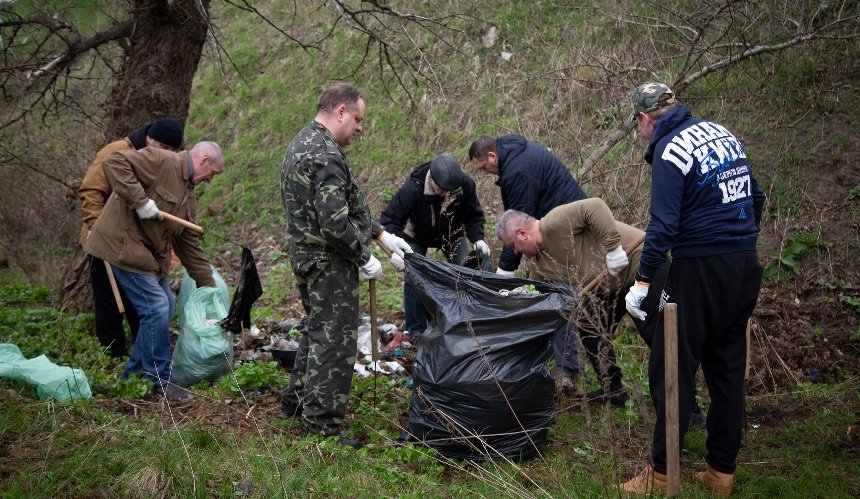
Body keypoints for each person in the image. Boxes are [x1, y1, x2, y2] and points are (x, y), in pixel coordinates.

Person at [619, 82, 764, 496]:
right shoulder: (723, 134)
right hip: (742, 266)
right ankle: (721, 473)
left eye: (639, 125)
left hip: (698, 268)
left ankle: (662, 473)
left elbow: (661, 229)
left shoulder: (671, 151)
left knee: (672, 364)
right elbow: (756, 196)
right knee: (727, 369)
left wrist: (643, 283)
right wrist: (742, 243)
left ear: (646, 119)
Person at [279, 83, 412, 449]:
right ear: (340, 111)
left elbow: (347, 203)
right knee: (334, 342)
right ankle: (321, 427)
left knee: (316, 330)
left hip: (307, 256)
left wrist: (381, 235)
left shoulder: (304, 142)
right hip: (329, 262)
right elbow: (335, 223)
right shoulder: (326, 155)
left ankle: (296, 402)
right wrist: (363, 256)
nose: (360, 127)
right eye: (357, 119)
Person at [84, 141, 225, 402]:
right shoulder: (162, 161)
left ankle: (135, 374)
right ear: (204, 159)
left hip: (145, 255)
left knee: (166, 303)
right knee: (157, 306)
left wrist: (209, 286)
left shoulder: (189, 197)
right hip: (120, 244)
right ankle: (159, 378)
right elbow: (113, 163)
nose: (210, 180)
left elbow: (188, 246)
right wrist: (139, 200)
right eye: (213, 173)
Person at [469, 134, 588, 391]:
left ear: (492, 156)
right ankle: (558, 362)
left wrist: (504, 272)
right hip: (551, 231)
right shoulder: (515, 156)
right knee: (548, 292)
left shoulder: (518, 172)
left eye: (484, 167)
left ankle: (567, 370)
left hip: (566, 233)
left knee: (560, 295)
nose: (486, 172)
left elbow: (518, 228)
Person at [495, 199, 640, 407]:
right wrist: (515, 295)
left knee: (656, 332)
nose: (515, 252)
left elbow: (595, 206)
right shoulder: (540, 262)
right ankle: (614, 392)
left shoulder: (554, 222)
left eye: (513, 246)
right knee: (588, 323)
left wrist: (614, 247)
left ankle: (687, 407)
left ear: (521, 233)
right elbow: (537, 289)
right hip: (611, 289)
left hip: (637, 263)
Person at [78, 118, 184, 358]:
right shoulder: (117, 152)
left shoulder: (162, 163)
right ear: (149, 139)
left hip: (136, 246)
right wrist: (95, 226)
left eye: (171, 150)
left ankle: (141, 351)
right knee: (108, 302)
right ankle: (113, 354)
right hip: (104, 241)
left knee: (141, 301)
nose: (165, 153)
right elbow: (91, 191)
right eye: (162, 147)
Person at [379, 153, 490, 341]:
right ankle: (416, 330)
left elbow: (474, 216)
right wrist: (395, 251)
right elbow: (389, 220)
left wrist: (478, 238)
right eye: (443, 190)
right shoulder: (413, 188)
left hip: (452, 233)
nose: (447, 194)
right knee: (413, 275)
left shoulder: (465, 185)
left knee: (465, 271)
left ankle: (467, 323)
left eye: (451, 191)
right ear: (431, 179)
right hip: (417, 233)